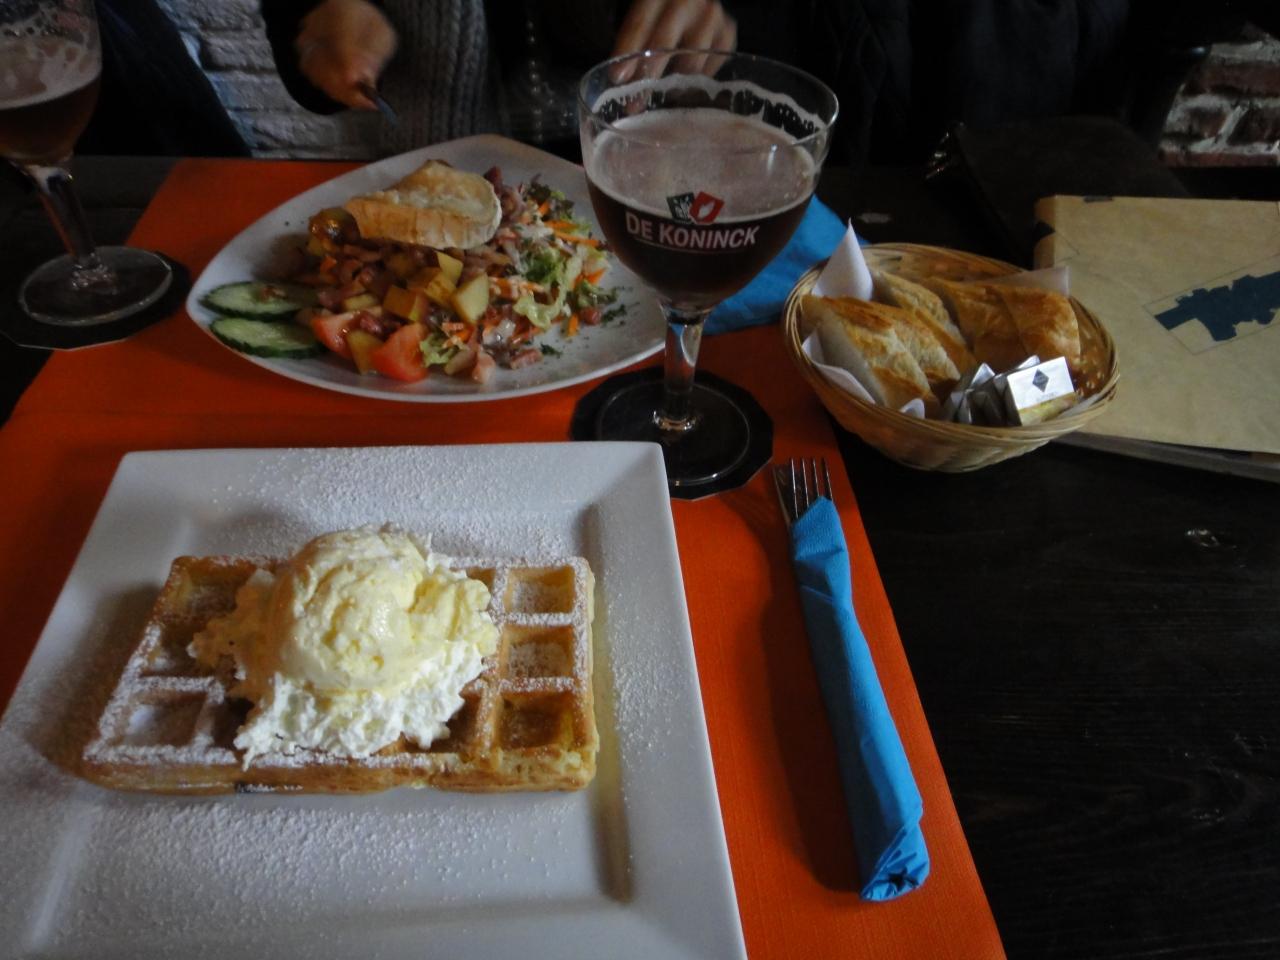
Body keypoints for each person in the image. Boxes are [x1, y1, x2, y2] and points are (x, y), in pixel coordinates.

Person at [260, 0, 736, 156]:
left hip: (648, 177)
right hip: (425, 177)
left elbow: (772, 34)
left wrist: (727, 14)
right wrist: (322, 15)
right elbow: (297, 35)